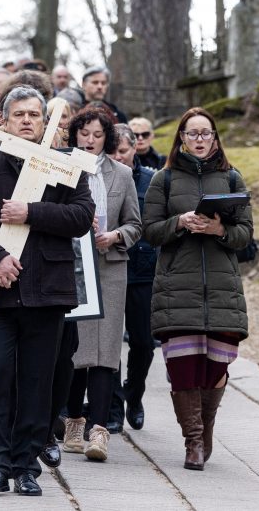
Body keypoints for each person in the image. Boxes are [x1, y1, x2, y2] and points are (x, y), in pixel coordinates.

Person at [0, 87, 95, 496]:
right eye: (20, 115)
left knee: (37, 381)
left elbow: (82, 216)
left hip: (47, 292)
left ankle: (25, 464)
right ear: (4, 120)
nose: (28, 121)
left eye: (35, 114)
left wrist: (31, 212)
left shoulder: (65, 168)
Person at [143, 107, 252, 471]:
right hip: (178, 286)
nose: (200, 140)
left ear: (215, 138)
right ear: (181, 139)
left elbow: (245, 236)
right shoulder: (165, 179)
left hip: (222, 288)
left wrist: (219, 231)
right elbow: (150, 231)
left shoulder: (233, 179)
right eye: (193, 134)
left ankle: (206, 429)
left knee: (215, 367)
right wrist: (180, 222)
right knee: (184, 367)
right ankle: (193, 441)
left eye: (206, 133)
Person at [62, 108, 141, 461]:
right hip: (72, 266)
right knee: (76, 349)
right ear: (75, 135)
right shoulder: (61, 170)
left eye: (97, 135)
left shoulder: (122, 174)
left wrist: (115, 236)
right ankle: (73, 421)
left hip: (110, 268)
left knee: (106, 351)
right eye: (84, 134)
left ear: (106, 137)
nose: (90, 140)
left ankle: (99, 429)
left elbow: (135, 225)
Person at [111, 123, 158, 431]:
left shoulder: (152, 181)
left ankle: (135, 392)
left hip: (143, 272)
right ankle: (113, 406)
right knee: (110, 343)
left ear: (134, 149)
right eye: (112, 151)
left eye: (123, 151)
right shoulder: (100, 179)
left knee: (143, 342)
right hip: (111, 269)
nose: (118, 157)